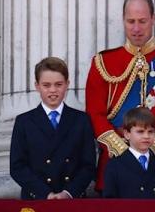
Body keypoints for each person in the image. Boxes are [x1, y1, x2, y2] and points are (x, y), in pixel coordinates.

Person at [85, 0, 155, 196]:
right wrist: (123, 150)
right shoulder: (103, 62)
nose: (136, 28)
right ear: (123, 20)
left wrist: (152, 146)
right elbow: (94, 113)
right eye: (130, 21)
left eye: (142, 21)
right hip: (114, 165)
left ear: (153, 19)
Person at [10, 57, 97, 200]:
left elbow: (88, 165)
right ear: (37, 86)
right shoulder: (24, 122)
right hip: (37, 199)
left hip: (72, 200)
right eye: (46, 85)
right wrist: (46, 194)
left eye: (58, 84)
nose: (53, 90)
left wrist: (68, 193)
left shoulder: (81, 120)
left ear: (67, 84)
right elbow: (17, 167)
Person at [102, 107, 155, 198]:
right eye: (140, 132)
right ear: (127, 134)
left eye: (150, 132)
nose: (146, 136)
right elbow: (109, 203)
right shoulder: (115, 166)